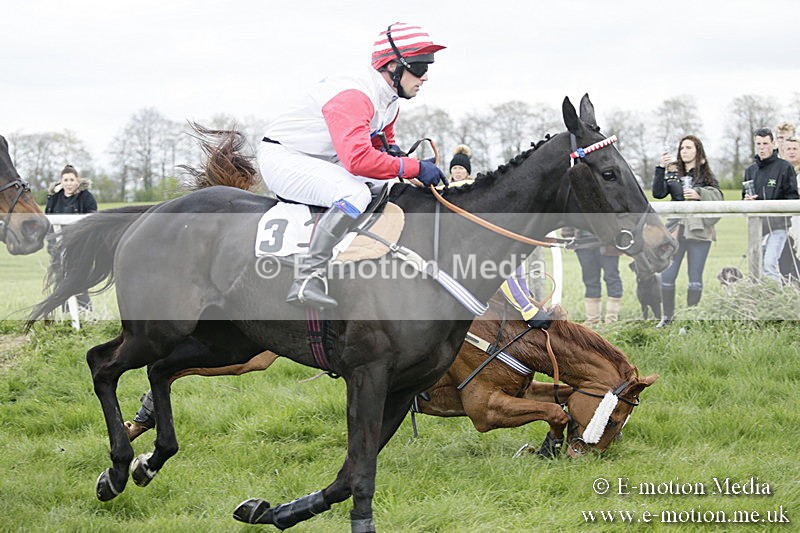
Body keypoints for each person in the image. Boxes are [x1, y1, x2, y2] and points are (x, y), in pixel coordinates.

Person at [258, 22, 446, 309]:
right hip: (285, 159)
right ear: (393, 66)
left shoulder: (390, 99)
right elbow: (358, 159)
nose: (426, 76)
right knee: (354, 194)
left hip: (320, 161)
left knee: (385, 184)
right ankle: (308, 277)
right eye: (420, 67)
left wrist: (405, 167)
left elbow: (384, 145)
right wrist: (414, 168)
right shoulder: (355, 94)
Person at [652, 135, 723, 327]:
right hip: (675, 231)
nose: (684, 151)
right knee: (667, 276)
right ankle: (667, 318)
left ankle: (689, 321)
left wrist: (699, 195)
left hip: (698, 233)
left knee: (695, 278)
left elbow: (719, 198)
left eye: (689, 147)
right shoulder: (673, 173)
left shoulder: (706, 176)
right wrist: (660, 168)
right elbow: (658, 193)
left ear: (697, 151)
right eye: (682, 147)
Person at [743, 128, 800, 283]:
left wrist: (770, 205)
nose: (762, 147)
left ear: (773, 144)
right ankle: (758, 298)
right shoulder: (750, 170)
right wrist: (748, 202)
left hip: (778, 226)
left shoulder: (785, 167)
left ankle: (774, 301)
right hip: (757, 228)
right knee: (756, 266)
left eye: (765, 143)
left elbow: (793, 197)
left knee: (770, 264)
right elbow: (744, 198)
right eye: (759, 144)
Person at [45, 164, 97, 310]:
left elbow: (92, 222)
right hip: (58, 247)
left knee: (79, 281)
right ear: (61, 182)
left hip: (79, 247)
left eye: (71, 180)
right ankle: (65, 317)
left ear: (77, 181)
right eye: (65, 180)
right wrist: (52, 246)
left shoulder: (86, 197)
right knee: (61, 282)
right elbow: (49, 221)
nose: (69, 183)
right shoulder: (54, 198)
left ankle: (85, 314)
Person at [560, 227, 623, 326]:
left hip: (608, 242)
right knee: (590, 281)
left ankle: (611, 319)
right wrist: (568, 235)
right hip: (583, 243)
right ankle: (593, 319)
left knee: (612, 278)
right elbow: (570, 213)